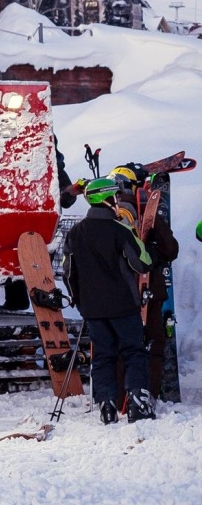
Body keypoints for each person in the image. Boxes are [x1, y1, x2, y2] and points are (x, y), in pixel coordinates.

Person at [62, 177, 154, 424]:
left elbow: (68, 273)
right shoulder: (121, 231)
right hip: (124, 306)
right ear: (106, 198)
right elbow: (143, 262)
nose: (117, 200)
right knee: (134, 352)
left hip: (93, 309)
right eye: (114, 196)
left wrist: (79, 301)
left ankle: (106, 406)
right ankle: (137, 403)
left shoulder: (74, 234)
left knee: (103, 356)